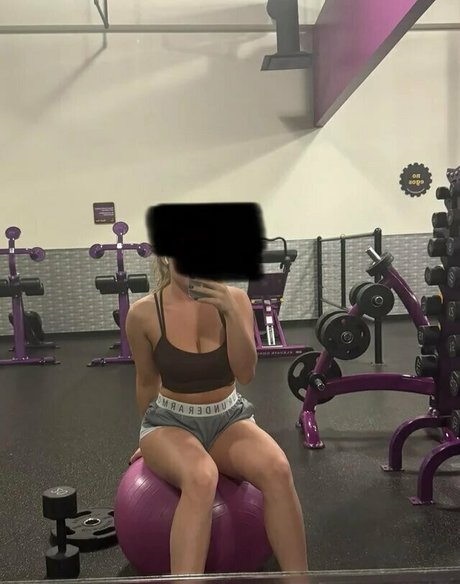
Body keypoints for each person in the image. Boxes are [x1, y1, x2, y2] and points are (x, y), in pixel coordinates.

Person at [126, 255, 308, 575]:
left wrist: (231, 312)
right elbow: (146, 382)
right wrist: (148, 441)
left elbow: (246, 373)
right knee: (201, 477)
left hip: (228, 418)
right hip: (169, 422)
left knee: (278, 470)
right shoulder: (143, 313)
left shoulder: (235, 300)